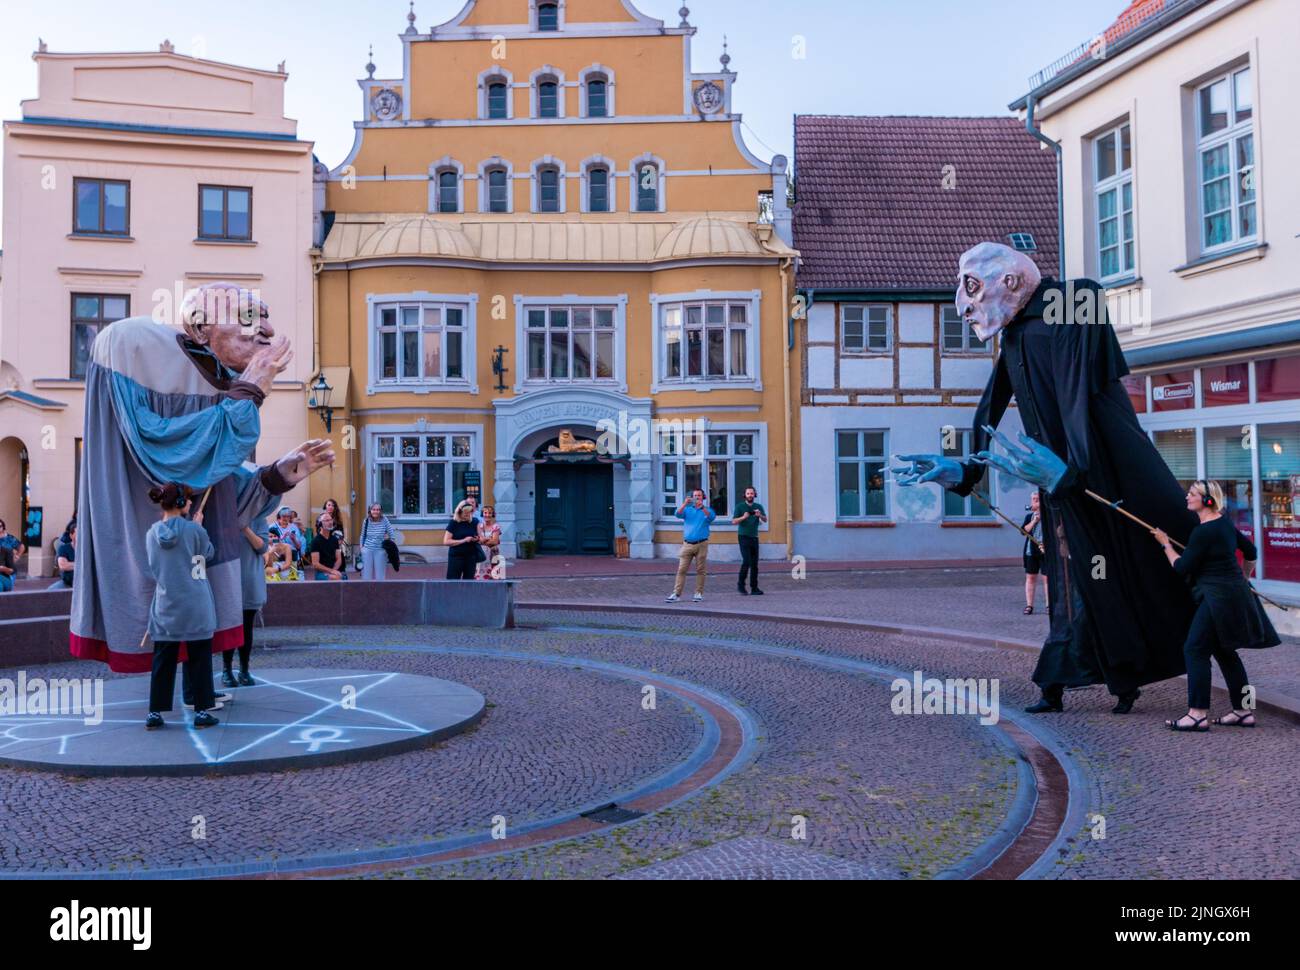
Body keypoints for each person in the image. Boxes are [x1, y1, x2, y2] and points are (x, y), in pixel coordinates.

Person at [894, 243, 1197, 715]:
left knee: (1105, 574)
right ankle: (1090, 679)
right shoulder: (1015, 336)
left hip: (1099, 478)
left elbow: (1079, 394)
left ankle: (1120, 677)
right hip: (1061, 484)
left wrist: (1072, 469)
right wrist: (965, 469)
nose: (962, 304)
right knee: (1076, 583)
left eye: (971, 287)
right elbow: (989, 410)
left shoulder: (1069, 305)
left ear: (1011, 282)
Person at [70, 281, 334, 673]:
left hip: (194, 595)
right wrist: (247, 397)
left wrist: (278, 476)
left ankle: (197, 698)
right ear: (198, 326)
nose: (268, 330)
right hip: (166, 589)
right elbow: (163, 455)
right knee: (169, 653)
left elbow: (222, 500)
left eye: (266, 316)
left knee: (194, 654)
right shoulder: (131, 343)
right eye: (249, 315)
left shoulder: (224, 388)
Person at [1153, 481, 1280, 732]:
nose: (1187, 496)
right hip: (1233, 595)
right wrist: (1243, 577)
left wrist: (1165, 543)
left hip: (1217, 598)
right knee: (1225, 652)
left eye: (1193, 493)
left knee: (1195, 649)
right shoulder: (1224, 524)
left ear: (1208, 500)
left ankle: (1197, 714)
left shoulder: (1205, 531)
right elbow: (1251, 551)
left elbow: (1181, 567)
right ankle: (1243, 712)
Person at [144, 482, 219, 730]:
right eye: (187, 499)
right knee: (199, 658)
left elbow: (156, 567)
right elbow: (204, 557)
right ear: (179, 503)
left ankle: (155, 712)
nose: (190, 503)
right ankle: (201, 710)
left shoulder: (151, 533)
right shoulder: (193, 531)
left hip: (166, 603)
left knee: (163, 660)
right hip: (195, 602)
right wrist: (198, 529)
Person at [225, 493, 276, 687]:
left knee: (246, 628)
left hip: (250, 580)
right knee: (229, 628)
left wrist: (245, 528)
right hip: (229, 580)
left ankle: (244, 669)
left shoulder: (258, 518)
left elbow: (262, 548)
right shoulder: (225, 517)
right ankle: (226, 670)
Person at [667, 488, 716, 603]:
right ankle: (676, 594)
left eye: (699, 495)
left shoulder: (707, 510)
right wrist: (684, 503)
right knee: (681, 570)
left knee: (701, 570)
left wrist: (702, 508)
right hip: (687, 544)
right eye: (695, 495)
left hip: (702, 544)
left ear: (703, 497)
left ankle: (698, 593)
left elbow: (711, 517)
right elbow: (677, 514)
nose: (697, 497)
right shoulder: (688, 510)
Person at [731, 486, 767, 596]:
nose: (750, 495)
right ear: (745, 495)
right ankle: (741, 585)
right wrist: (743, 517)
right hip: (743, 536)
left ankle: (754, 588)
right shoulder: (740, 507)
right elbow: (733, 521)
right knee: (746, 561)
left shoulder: (758, 506)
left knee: (755, 564)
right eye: (748, 493)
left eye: (752, 493)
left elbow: (765, 520)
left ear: (754, 495)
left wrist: (759, 515)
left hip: (754, 537)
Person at [1021, 490, 1048, 615]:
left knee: (1047, 578)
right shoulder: (1029, 517)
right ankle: (1029, 605)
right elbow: (1023, 531)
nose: (1036, 502)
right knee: (1031, 577)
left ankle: (1049, 605)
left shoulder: (1049, 517)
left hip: (1046, 551)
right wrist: (1034, 521)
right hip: (1031, 551)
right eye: (1034, 500)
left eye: (1038, 499)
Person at [358, 503, 397, 581]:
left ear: (381, 511)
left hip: (380, 550)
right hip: (367, 550)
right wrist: (361, 548)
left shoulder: (384, 520)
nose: (376, 511)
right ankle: (367, 592)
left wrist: (389, 546)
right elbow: (362, 535)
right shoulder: (366, 521)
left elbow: (392, 534)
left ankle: (380, 592)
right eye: (374, 509)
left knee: (380, 577)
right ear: (370, 511)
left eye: (378, 509)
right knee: (366, 576)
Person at [444, 500, 480, 580]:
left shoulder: (474, 522)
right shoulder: (453, 523)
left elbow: (480, 538)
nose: (468, 514)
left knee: (469, 582)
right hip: (456, 557)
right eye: (465, 512)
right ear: (459, 511)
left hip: (471, 557)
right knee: (452, 582)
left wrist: (477, 539)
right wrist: (464, 540)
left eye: (470, 511)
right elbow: (446, 541)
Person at [309, 511, 346, 581]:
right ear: (320, 524)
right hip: (321, 572)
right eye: (327, 520)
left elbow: (339, 559)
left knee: (343, 577)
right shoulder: (315, 541)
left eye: (331, 520)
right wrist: (331, 571)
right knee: (337, 578)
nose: (330, 522)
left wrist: (333, 571)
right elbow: (315, 564)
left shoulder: (335, 540)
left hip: (332, 570)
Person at [47, 522, 77, 591]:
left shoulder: (88, 549)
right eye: (78, 534)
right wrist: (82, 565)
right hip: (68, 584)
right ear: (71, 536)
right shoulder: (64, 548)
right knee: (49, 591)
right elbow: (63, 565)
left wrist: (71, 565)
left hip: (84, 584)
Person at [477, 505, 502, 579]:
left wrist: (483, 540)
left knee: (494, 576)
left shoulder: (496, 526)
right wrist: (488, 539)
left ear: (493, 514)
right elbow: (479, 540)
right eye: (485, 513)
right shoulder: (479, 525)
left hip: (493, 554)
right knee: (480, 576)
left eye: (490, 513)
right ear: (482, 514)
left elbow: (495, 541)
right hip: (482, 554)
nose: (487, 515)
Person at [0, 519, 25, 592]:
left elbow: (21, 546)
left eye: (0, 526)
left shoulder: (8, 538)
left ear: (3, 527)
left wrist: (17, 556)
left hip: (8, 567)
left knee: (7, 589)